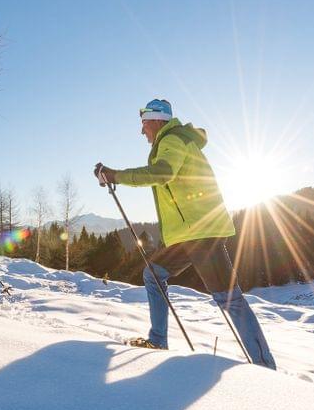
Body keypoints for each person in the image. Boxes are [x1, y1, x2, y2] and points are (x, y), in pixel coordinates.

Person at [95, 99, 276, 369]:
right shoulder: (173, 140)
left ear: (156, 121)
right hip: (188, 234)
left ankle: (264, 366)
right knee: (153, 274)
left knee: (230, 300)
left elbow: (163, 173)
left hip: (201, 234)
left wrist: (116, 176)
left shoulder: (173, 141)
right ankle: (158, 340)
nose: (142, 131)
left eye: (143, 124)